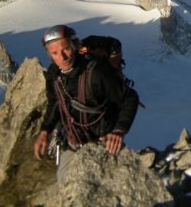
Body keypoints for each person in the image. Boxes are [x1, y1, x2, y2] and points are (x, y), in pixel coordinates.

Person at [33, 24, 140, 180]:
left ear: (75, 47)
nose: (62, 57)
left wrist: (118, 131)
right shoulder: (54, 75)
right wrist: (45, 131)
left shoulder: (96, 72)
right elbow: (56, 103)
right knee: (65, 187)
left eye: (66, 49)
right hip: (73, 145)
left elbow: (129, 98)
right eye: (55, 53)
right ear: (49, 55)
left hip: (104, 145)